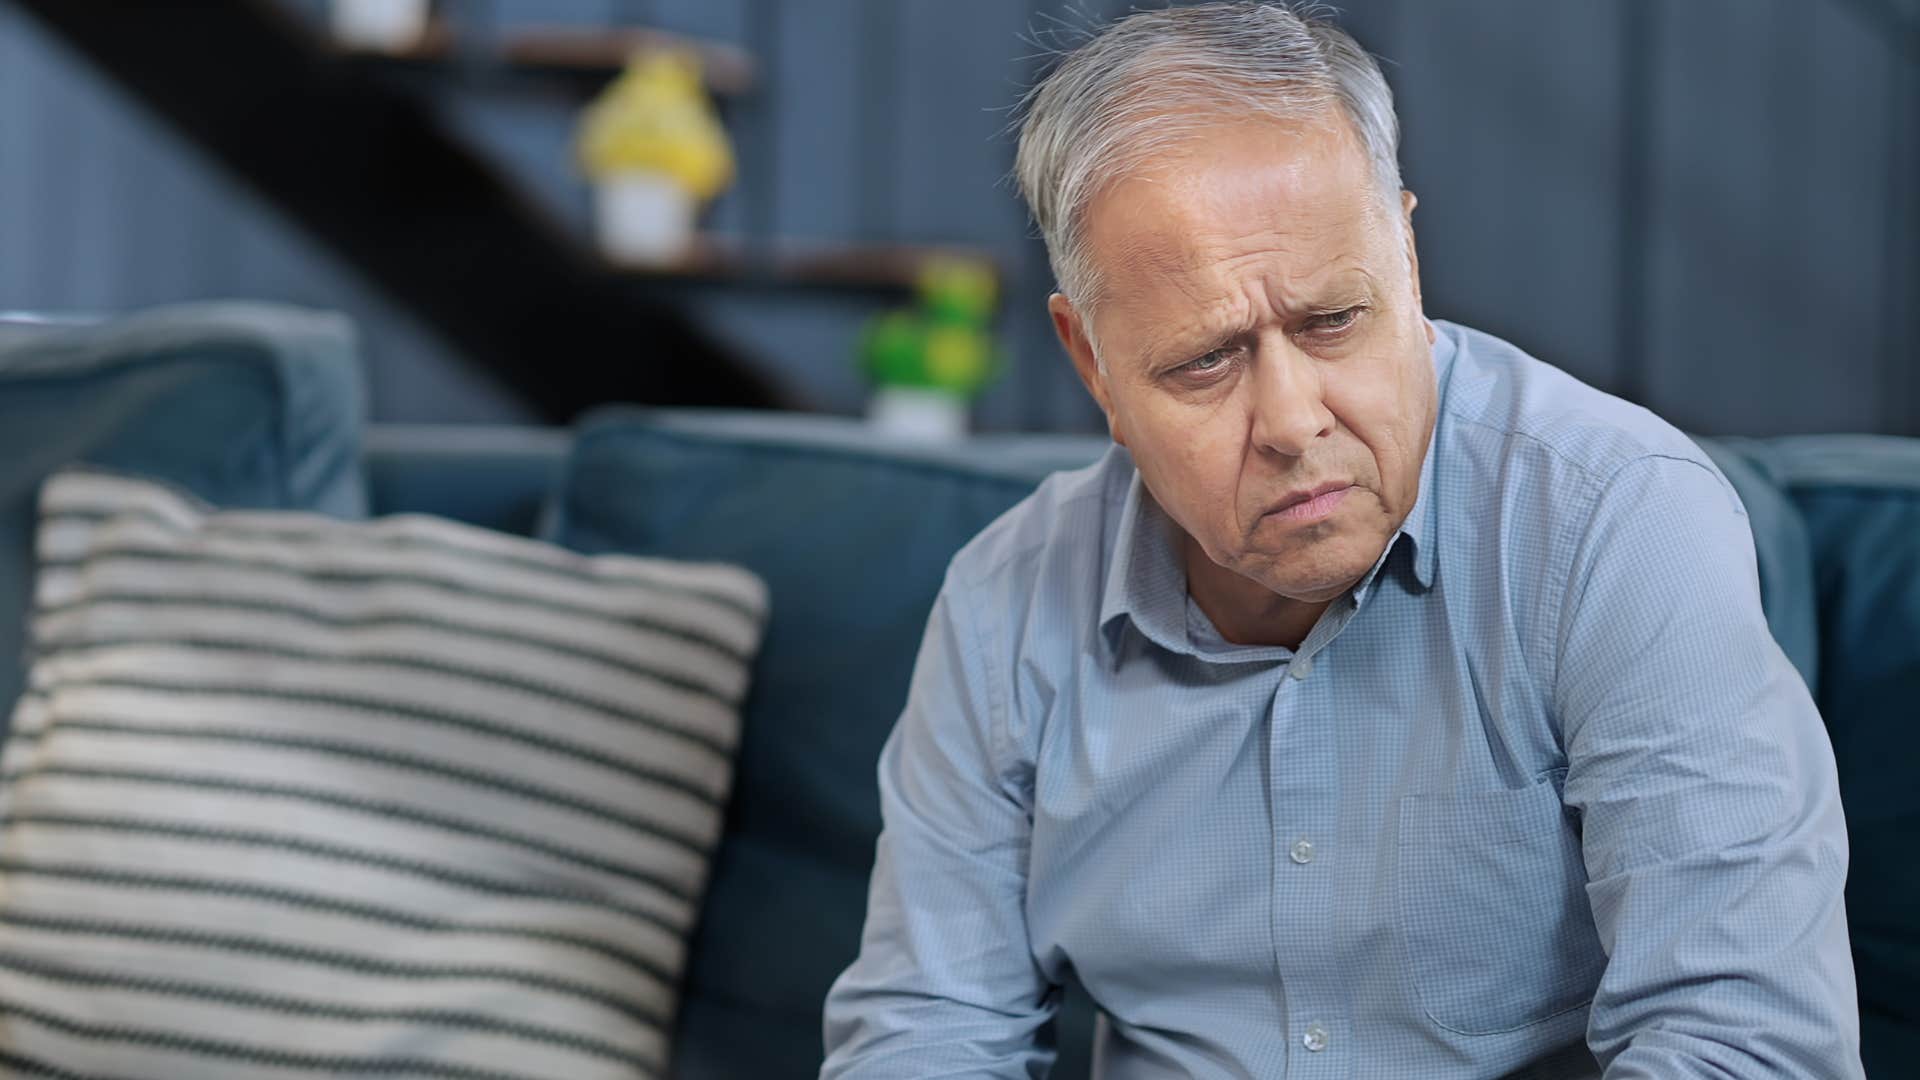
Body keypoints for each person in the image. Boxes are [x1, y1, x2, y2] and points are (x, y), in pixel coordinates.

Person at [820, 3, 1861, 1076]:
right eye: (1205, 363)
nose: (1292, 422)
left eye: (1331, 322)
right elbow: (926, 1031)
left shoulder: (1616, 522)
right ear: (1091, 363)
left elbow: (1745, 1045)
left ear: (1405, 256)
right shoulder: (1005, 603)